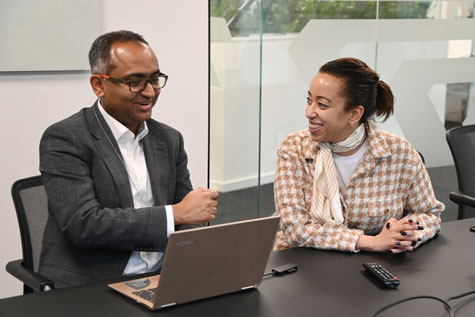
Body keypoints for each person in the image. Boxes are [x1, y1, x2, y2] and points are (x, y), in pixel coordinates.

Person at [38, 30, 218, 288]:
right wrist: (175, 214)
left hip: (162, 277)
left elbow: (187, 218)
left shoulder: (168, 139)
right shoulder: (66, 137)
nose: (149, 92)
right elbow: (83, 224)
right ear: (98, 85)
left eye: (155, 79)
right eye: (135, 82)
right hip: (93, 284)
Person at [273, 57, 444, 253]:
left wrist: (405, 234)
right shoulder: (294, 148)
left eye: (322, 105)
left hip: (375, 266)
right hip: (303, 263)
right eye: (309, 100)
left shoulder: (399, 152)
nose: (309, 112)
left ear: (354, 114)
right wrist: (371, 242)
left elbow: (429, 214)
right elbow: (295, 229)